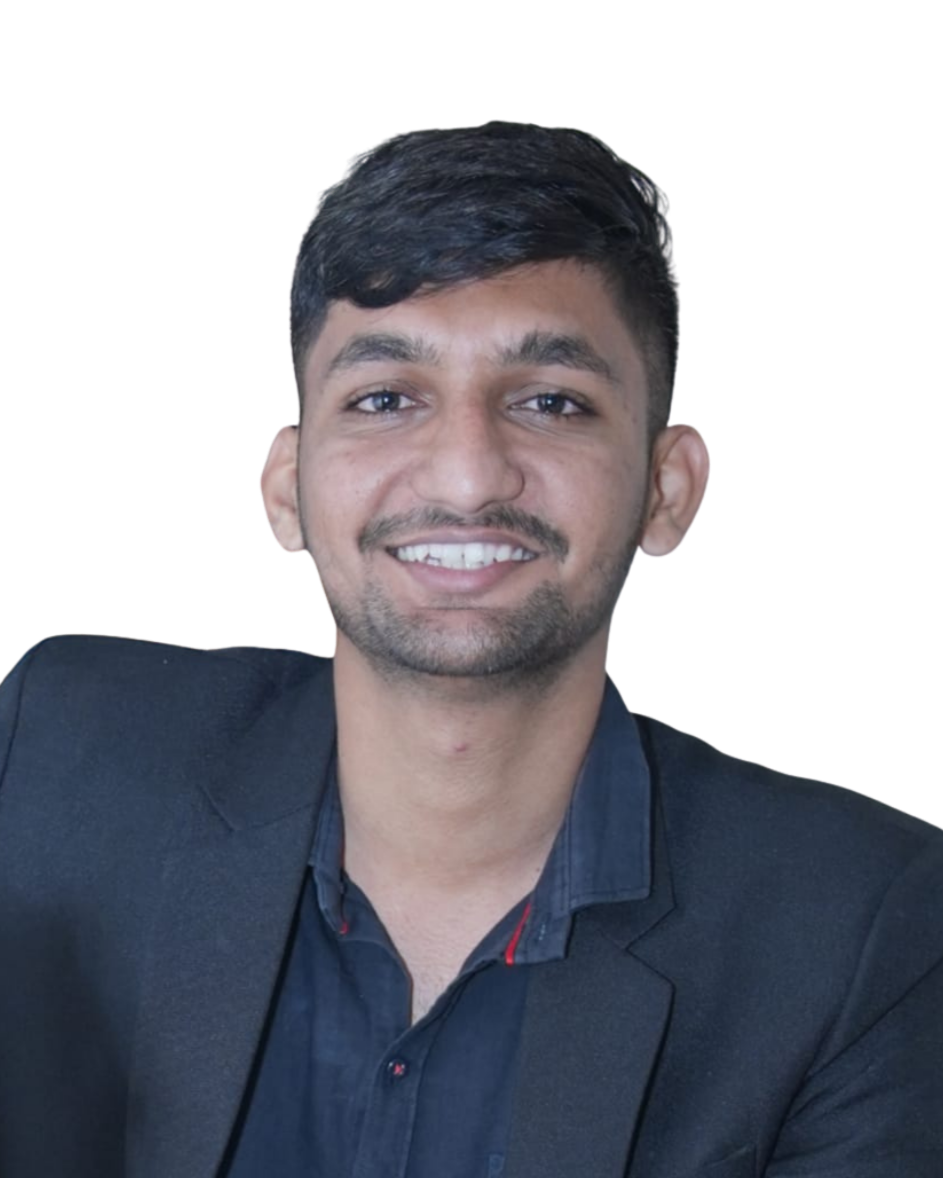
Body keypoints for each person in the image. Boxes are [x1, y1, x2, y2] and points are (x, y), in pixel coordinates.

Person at [1, 122, 940, 1178]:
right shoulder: (59, 753)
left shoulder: (863, 925)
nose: (465, 473)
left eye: (550, 401)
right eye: (385, 398)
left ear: (668, 489)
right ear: (284, 491)